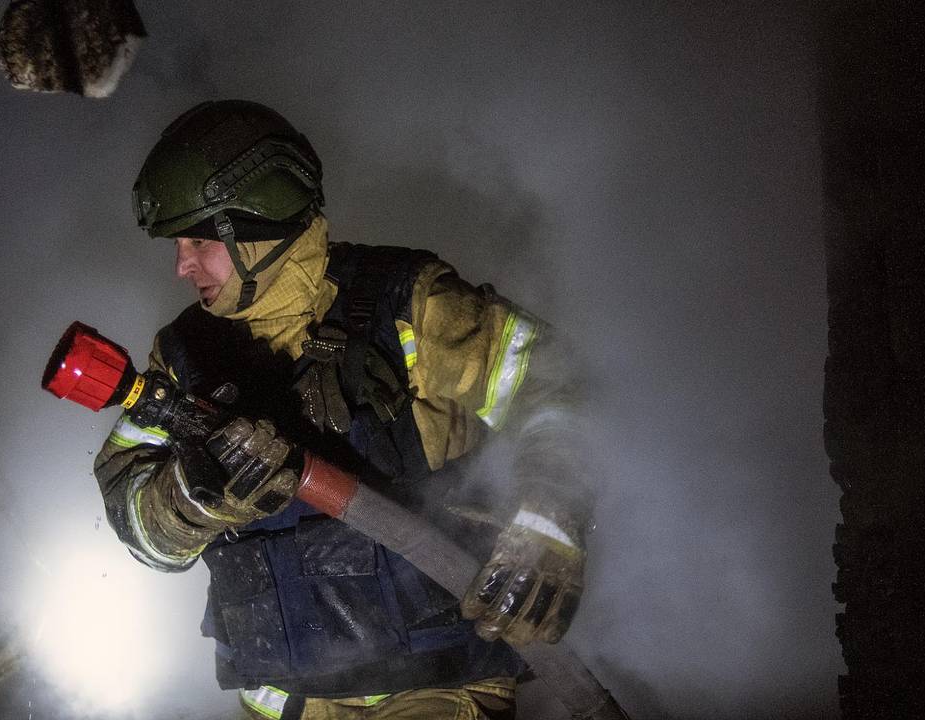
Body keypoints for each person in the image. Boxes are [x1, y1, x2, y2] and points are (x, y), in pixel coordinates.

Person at [93, 100, 593, 719]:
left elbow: (557, 385)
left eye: (199, 240)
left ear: (257, 224)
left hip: (433, 687)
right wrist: (192, 498)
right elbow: (132, 514)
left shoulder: (406, 303)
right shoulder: (182, 357)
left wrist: (550, 521)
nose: (182, 266)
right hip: (283, 701)